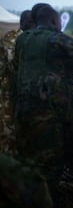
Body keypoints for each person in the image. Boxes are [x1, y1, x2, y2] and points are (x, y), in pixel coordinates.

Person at [13, 4, 73, 205]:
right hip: (48, 114)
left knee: (28, 159)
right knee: (50, 166)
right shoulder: (57, 38)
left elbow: (35, 65)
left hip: (22, 109)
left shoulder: (22, 40)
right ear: (55, 20)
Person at [0, 10, 36, 153]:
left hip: (11, 92)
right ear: (29, 23)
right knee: (7, 131)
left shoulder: (22, 38)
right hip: (4, 94)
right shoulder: (13, 38)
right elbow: (14, 63)